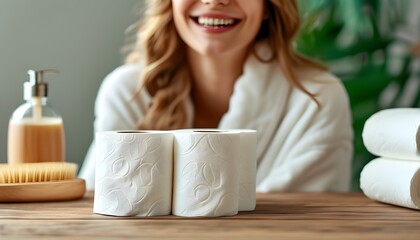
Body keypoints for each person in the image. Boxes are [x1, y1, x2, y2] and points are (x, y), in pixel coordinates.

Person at [79, 0, 354, 192]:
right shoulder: (129, 92)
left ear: (270, 6)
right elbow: (104, 206)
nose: (215, 0)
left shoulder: (316, 99)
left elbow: (309, 223)